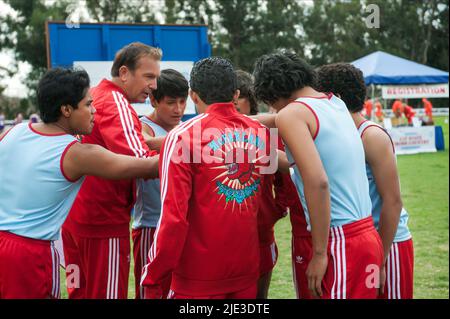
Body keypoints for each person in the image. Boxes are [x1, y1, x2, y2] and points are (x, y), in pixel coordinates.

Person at [0, 68, 159, 299]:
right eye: (87, 105)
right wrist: (188, 142)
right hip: (29, 253)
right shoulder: (76, 152)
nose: (95, 110)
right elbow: (148, 166)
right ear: (66, 110)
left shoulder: (14, 132)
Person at [140, 57, 276, 299]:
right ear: (235, 94)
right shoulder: (263, 134)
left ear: (193, 95)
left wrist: (153, 274)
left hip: (196, 277)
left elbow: (173, 219)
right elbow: (267, 207)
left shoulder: (181, 137)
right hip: (246, 268)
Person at [253, 51, 383, 299]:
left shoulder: (291, 114)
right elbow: (273, 119)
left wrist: (320, 253)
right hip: (366, 235)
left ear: (271, 93)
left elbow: (318, 182)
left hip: (339, 239)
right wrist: (233, 121)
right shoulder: (335, 103)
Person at [62, 42, 161, 299]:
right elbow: (142, 160)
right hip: (101, 225)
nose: (154, 86)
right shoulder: (115, 101)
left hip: (74, 220)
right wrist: (192, 153)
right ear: (125, 73)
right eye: (149, 76)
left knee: (78, 292)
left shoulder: (97, 94)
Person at [316, 62, 414, 299]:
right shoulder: (340, 134)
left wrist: (381, 258)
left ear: (336, 98)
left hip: (389, 243)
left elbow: (393, 202)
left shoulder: (371, 136)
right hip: (366, 243)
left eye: (319, 96)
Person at [132, 69, 188, 299]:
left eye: (183, 102)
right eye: (171, 102)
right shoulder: (141, 127)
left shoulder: (184, 128)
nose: (178, 109)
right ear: (153, 100)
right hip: (151, 226)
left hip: (181, 227)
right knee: (149, 293)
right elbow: (141, 143)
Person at [235, 69, 289, 299]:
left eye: (240, 97)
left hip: (261, 229)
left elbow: (284, 179)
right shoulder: (213, 133)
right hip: (229, 230)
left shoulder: (268, 132)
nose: (234, 102)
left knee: (259, 295)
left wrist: (275, 210)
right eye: (229, 97)